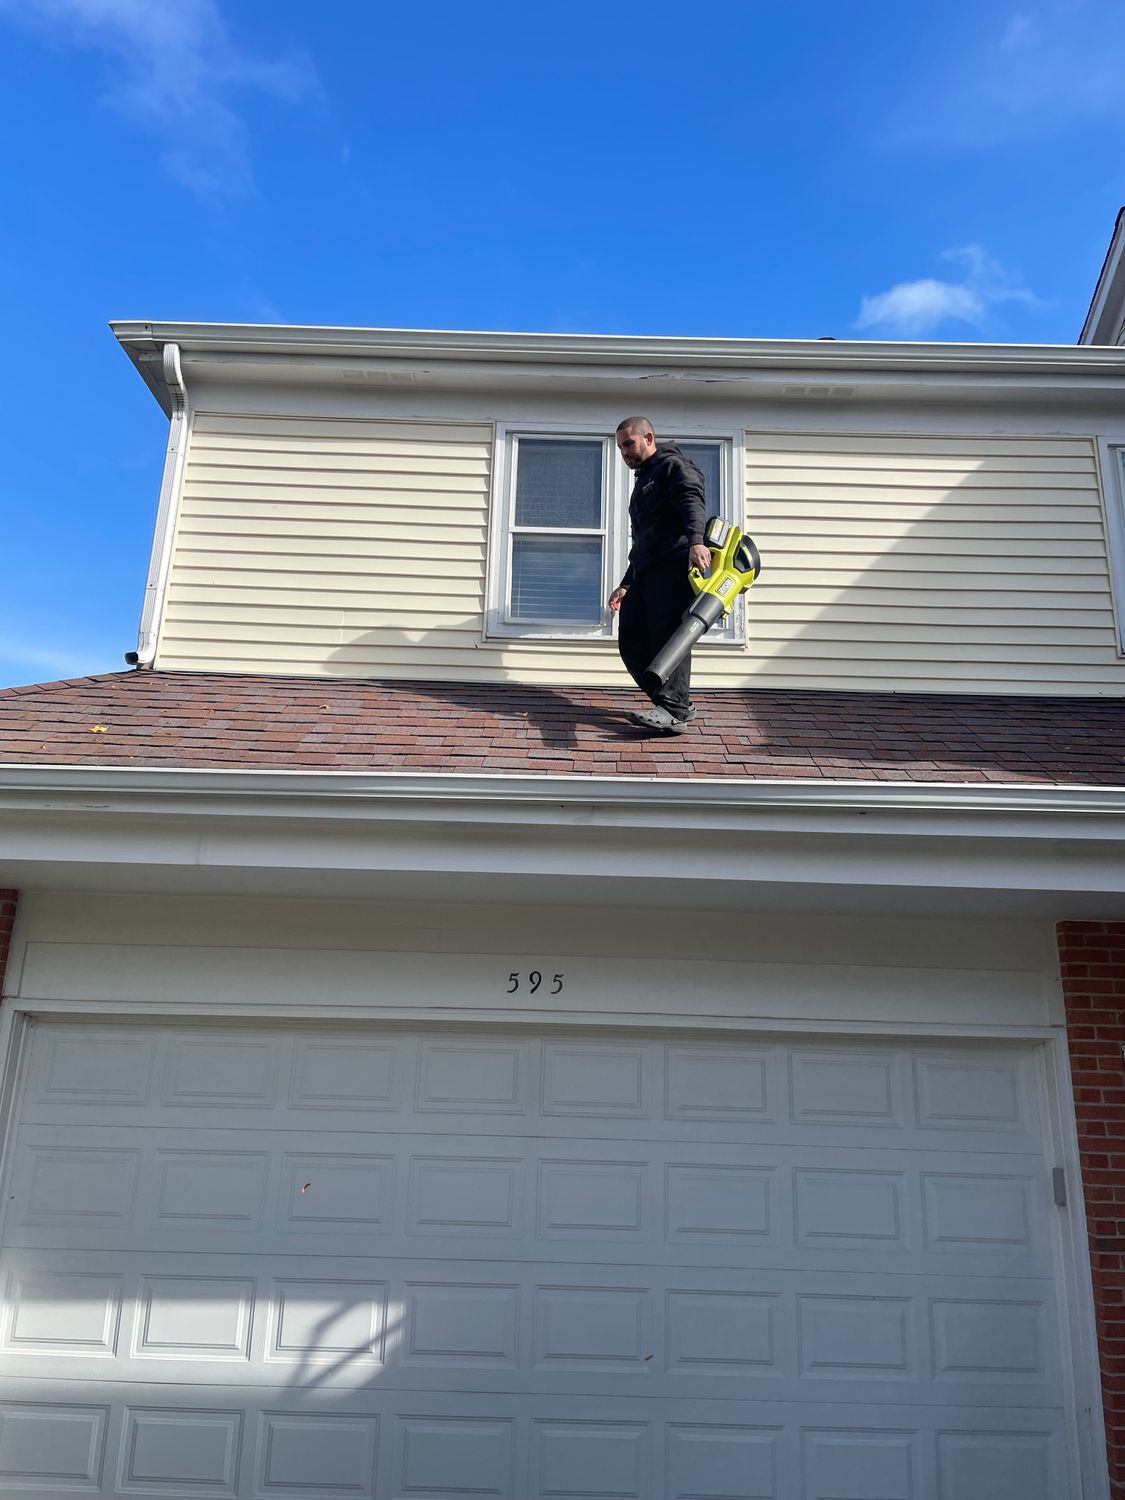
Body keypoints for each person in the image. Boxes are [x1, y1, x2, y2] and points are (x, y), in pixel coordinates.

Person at [608, 417, 711, 734]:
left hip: (674, 563)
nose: (625, 452)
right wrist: (627, 583)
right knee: (631, 640)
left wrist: (696, 542)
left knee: (668, 635)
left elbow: (691, 501)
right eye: (620, 447)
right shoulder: (642, 482)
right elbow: (644, 540)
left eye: (629, 443)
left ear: (649, 438)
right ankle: (675, 703)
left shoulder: (672, 466)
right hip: (646, 570)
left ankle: (673, 709)